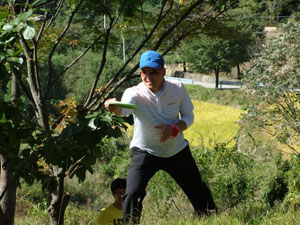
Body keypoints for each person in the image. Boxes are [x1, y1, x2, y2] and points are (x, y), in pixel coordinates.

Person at [104, 50, 217, 224]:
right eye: (144, 72)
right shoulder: (134, 92)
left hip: (176, 150)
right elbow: (123, 109)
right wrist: (114, 107)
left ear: (164, 71)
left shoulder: (177, 89)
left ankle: (212, 219)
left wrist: (174, 129)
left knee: (198, 191)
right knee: (133, 193)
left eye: (154, 72)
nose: (148, 77)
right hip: (145, 151)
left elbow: (188, 117)